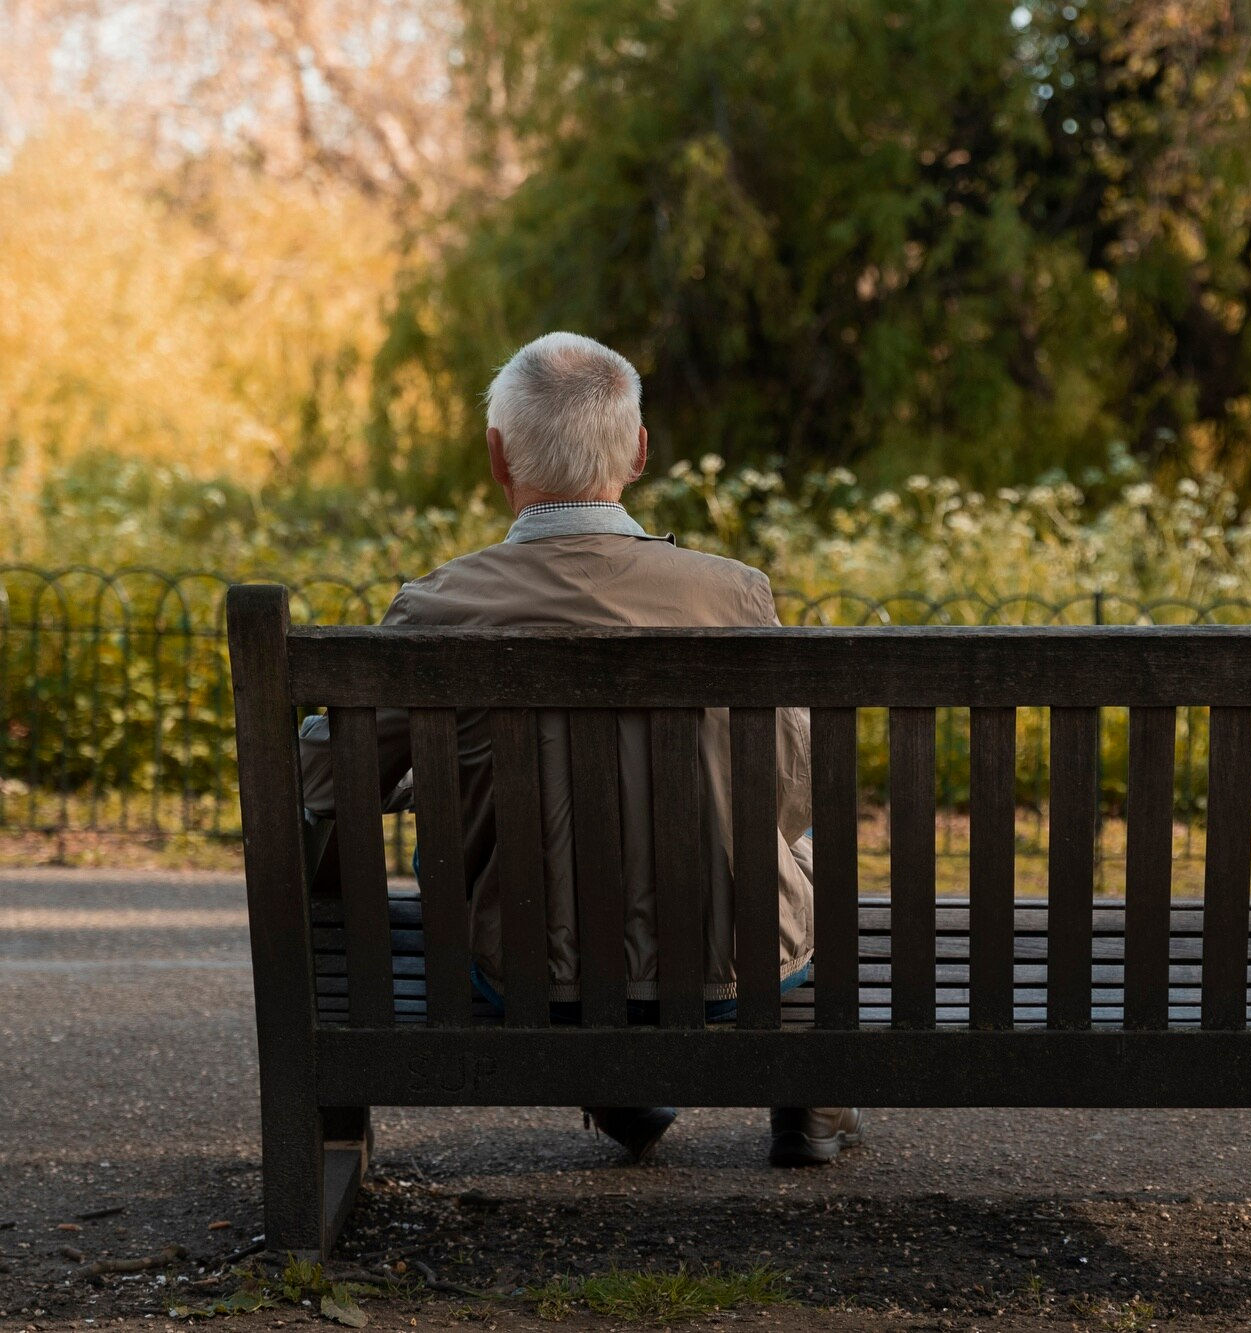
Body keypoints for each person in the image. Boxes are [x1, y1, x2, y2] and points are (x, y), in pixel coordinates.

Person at [296, 332, 860, 1168]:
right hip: (737, 970)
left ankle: (618, 1086)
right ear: (638, 452)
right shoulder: (733, 594)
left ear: (497, 455)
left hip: (522, 974)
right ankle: (811, 1095)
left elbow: (324, 781)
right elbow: (790, 792)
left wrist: (432, 781)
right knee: (792, 852)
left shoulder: (439, 607)